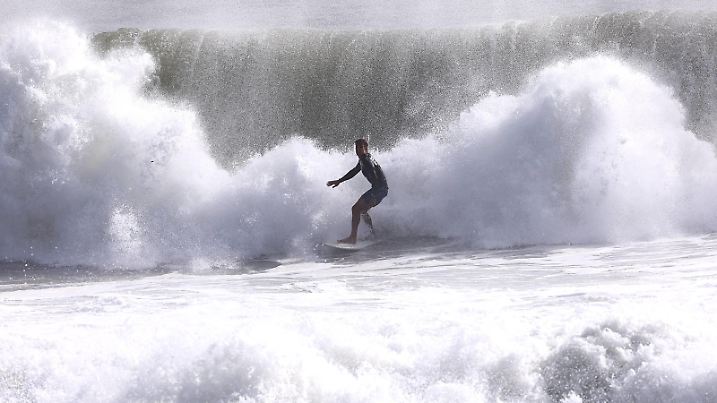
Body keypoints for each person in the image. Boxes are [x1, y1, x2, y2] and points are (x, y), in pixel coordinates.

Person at [327, 138, 389, 244]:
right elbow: (354, 171)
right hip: (380, 189)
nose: (358, 150)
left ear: (366, 148)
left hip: (379, 189)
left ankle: (352, 238)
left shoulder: (366, 160)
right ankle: (372, 234)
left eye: (361, 147)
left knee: (355, 209)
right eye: (356, 148)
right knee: (362, 211)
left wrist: (375, 193)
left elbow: (373, 171)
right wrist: (339, 181)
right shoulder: (364, 159)